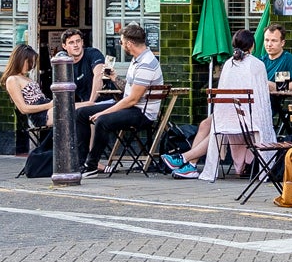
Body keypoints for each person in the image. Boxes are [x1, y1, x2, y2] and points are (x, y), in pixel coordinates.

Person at [164, 29, 276, 180]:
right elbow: (262, 98)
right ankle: (188, 162)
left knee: (217, 129)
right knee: (210, 126)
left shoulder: (228, 63)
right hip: (248, 118)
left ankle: (186, 161)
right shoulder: (257, 64)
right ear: (252, 46)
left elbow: (223, 93)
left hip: (229, 114)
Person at [80, 24, 162, 178]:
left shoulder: (147, 64)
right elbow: (128, 90)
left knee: (102, 121)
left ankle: (91, 166)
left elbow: (133, 99)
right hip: (131, 107)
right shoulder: (137, 59)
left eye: (122, 42)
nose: (121, 45)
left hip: (141, 113)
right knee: (81, 113)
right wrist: (113, 77)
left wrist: (102, 112)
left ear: (129, 44)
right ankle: (80, 161)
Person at [4, 44, 52, 125]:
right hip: (41, 115)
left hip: (47, 107)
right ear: (19, 59)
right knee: (72, 111)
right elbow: (23, 109)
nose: (31, 66)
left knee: (78, 108)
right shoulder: (12, 79)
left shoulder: (26, 78)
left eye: (32, 62)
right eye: (29, 62)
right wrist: (49, 105)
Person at [262, 25, 292, 90]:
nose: (269, 44)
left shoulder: (288, 59)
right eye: (266, 40)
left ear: (282, 43)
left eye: (274, 41)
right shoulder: (260, 61)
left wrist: (277, 87)